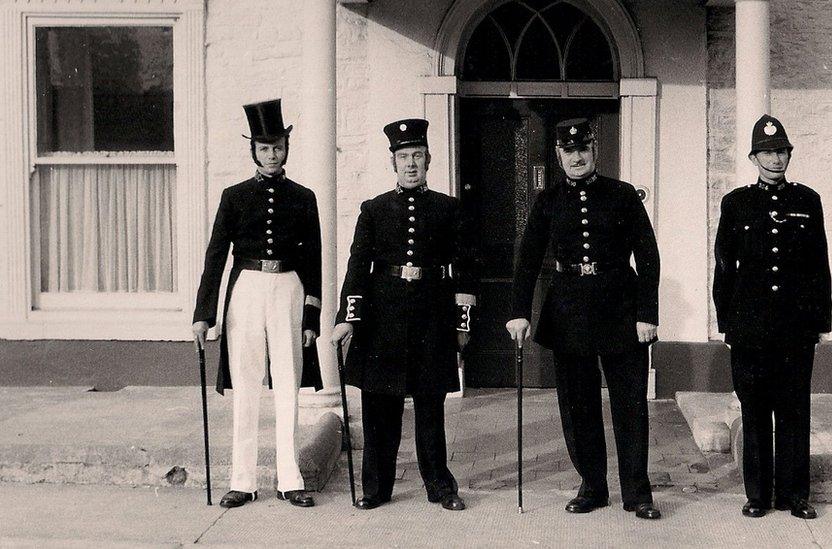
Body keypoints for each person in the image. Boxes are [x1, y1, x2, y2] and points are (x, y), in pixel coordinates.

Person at [506, 118, 662, 520]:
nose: (576, 157)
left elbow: (648, 257)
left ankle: (637, 493)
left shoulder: (623, 195)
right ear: (558, 156)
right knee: (579, 406)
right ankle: (592, 486)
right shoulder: (548, 201)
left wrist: (647, 313)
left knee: (630, 405)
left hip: (621, 310)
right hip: (569, 310)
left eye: (583, 150)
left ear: (594, 151)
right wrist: (518, 312)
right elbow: (527, 259)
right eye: (568, 151)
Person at [331, 118, 478, 511]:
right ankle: (376, 489)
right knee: (381, 408)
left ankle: (441, 486)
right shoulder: (374, 210)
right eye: (403, 156)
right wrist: (348, 318)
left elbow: (464, 269)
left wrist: (462, 324)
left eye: (417, 155)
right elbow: (357, 267)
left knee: (430, 408)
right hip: (383, 320)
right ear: (392, 162)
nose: (410, 163)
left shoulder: (448, 208)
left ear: (428, 159)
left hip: (433, 316)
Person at [192, 99, 322, 509]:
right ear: (253, 151)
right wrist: (203, 314)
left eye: (278, 147)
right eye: (265, 148)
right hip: (245, 290)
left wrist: (311, 315)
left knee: (288, 385)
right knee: (246, 386)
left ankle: (289, 479)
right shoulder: (234, 196)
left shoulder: (304, 197)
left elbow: (313, 257)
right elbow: (216, 255)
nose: (272, 155)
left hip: (288, 288)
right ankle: (242, 481)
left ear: (287, 149)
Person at [713, 114, 832, 520]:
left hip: (795, 328)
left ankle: (796, 495)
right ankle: (758, 495)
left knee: (795, 409)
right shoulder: (736, 203)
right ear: (753, 156)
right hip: (750, 328)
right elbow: (724, 267)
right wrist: (726, 324)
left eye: (781, 151)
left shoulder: (807, 201)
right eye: (767, 152)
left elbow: (819, 266)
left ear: (789, 154)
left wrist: (820, 323)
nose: (775, 159)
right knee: (756, 409)